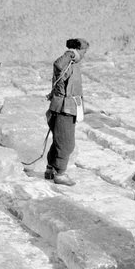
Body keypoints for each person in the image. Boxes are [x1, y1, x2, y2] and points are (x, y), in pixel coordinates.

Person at [44, 38, 88, 186]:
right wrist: (70, 54)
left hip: (70, 107)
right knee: (66, 143)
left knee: (59, 140)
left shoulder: (73, 65)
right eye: (83, 51)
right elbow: (57, 65)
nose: (84, 54)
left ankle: (50, 168)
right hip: (63, 109)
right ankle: (60, 174)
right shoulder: (67, 62)